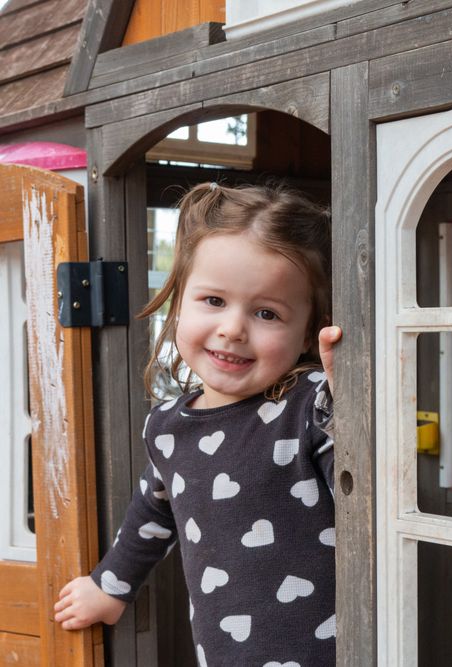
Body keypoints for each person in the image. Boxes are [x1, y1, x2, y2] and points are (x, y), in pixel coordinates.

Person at [53, 182, 344, 666]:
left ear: (310, 330)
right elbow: (152, 513)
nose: (232, 328)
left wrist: (344, 399)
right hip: (222, 652)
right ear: (177, 302)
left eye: (267, 313)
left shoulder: (309, 404)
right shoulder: (167, 427)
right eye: (213, 301)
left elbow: (360, 489)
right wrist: (110, 586)